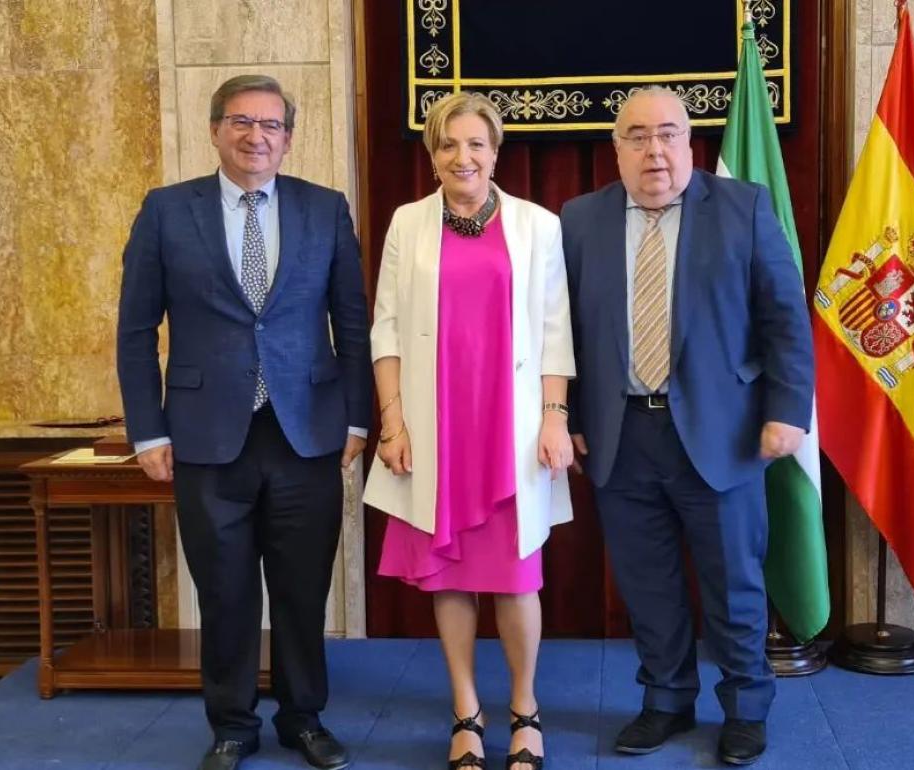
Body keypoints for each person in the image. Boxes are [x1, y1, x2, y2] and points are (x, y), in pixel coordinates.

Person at [116, 75, 372, 770]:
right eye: (240, 122)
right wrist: (149, 430)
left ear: (288, 136)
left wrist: (358, 420)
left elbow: (352, 323)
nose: (256, 136)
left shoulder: (325, 210)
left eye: (270, 125)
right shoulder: (167, 212)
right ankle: (231, 724)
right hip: (203, 435)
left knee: (301, 587)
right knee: (225, 590)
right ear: (214, 129)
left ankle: (303, 718)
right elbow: (136, 329)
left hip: (307, 432)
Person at [560, 87, 814, 766]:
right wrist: (571, 416)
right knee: (648, 585)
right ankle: (666, 700)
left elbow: (785, 318)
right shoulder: (579, 220)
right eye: (636, 136)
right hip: (620, 436)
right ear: (615, 148)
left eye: (667, 134)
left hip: (724, 435)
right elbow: (564, 333)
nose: (654, 150)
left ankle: (746, 708)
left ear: (690, 141)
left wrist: (788, 411)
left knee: (735, 583)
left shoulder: (743, 208)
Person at [363, 91, 575, 770]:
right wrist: (392, 423)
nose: (463, 156)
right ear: (431, 158)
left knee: (516, 578)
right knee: (449, 576)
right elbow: (387, 328)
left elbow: (554, 330)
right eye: (448, 145)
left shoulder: (539, 225)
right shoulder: (407, 223)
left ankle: (524, 710)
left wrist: (553, 417)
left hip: (508, 427)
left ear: (496, 151)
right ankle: (465, 712)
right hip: (436, 425)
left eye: (476, 143)